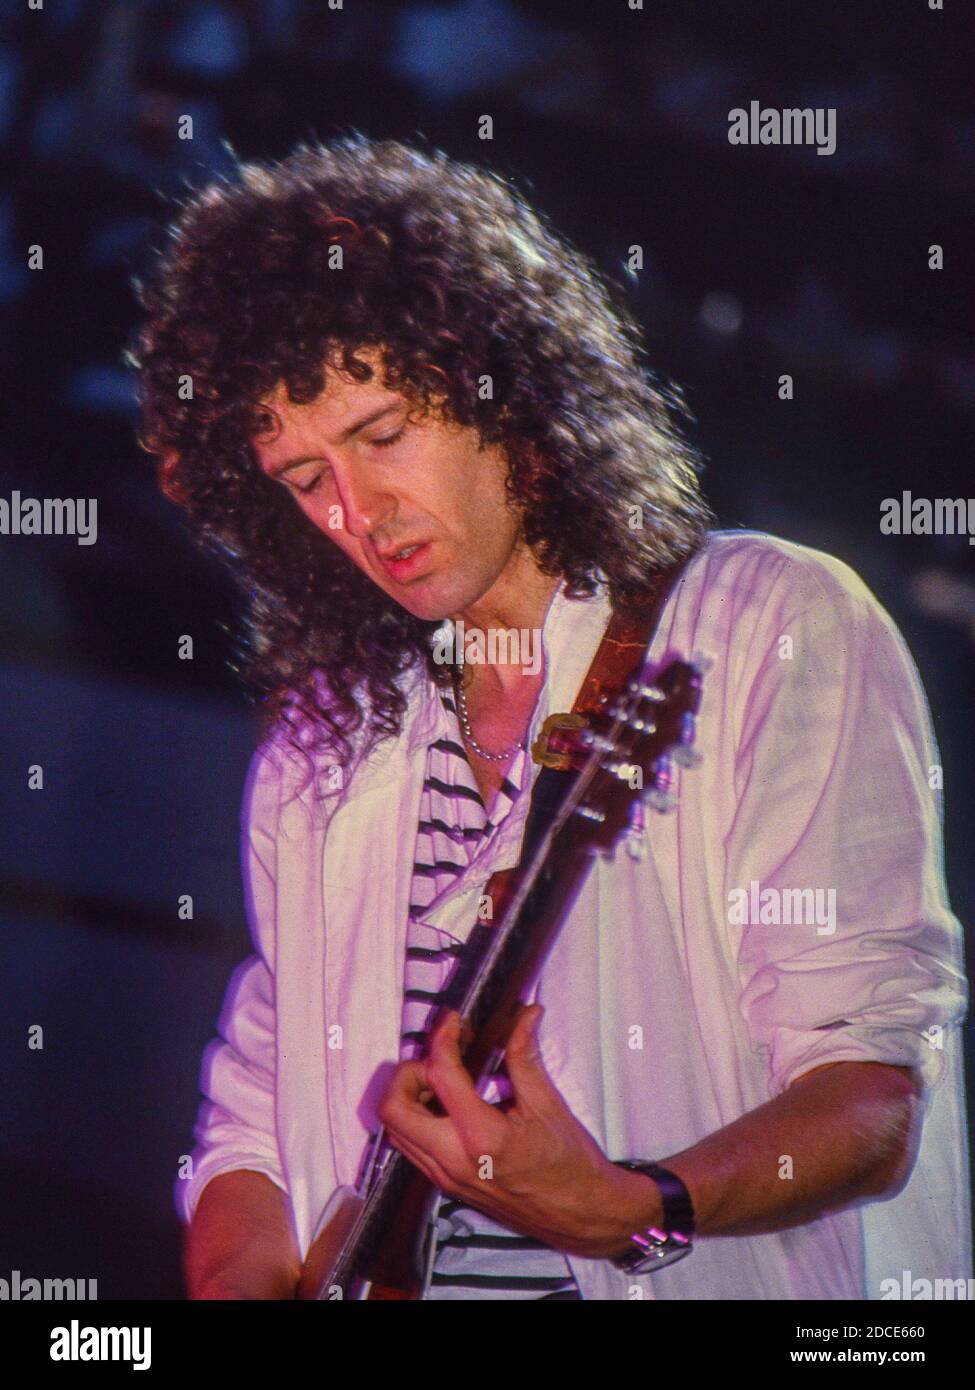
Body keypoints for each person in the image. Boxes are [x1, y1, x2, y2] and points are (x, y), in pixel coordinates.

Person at [131, 134, 970, 1300]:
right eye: (305, 479)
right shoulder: (330, 739)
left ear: (510, 397)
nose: (356, 513)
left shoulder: (766, 625)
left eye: (381, 436)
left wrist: (630, 1203)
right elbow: (257, 1114)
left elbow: (872, 1094)